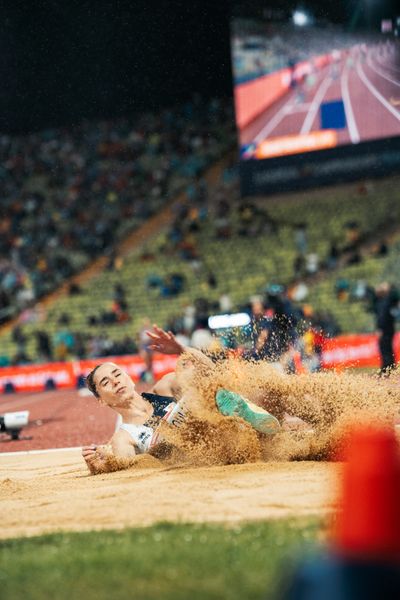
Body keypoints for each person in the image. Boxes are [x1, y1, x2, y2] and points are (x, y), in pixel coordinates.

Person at [82, 330, 281, 474]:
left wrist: (181, 349)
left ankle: (237, 409)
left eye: (117, 374)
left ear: (129, 377)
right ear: (101, 400)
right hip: (204, 457)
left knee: (205, 385)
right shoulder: (123, 437)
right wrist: (104, 466)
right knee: (175, 426)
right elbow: (129, 468)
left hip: (228, 432)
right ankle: (233, 411)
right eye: (106, 382)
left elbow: (210, 371)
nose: (115, 381)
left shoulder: (164, 387)